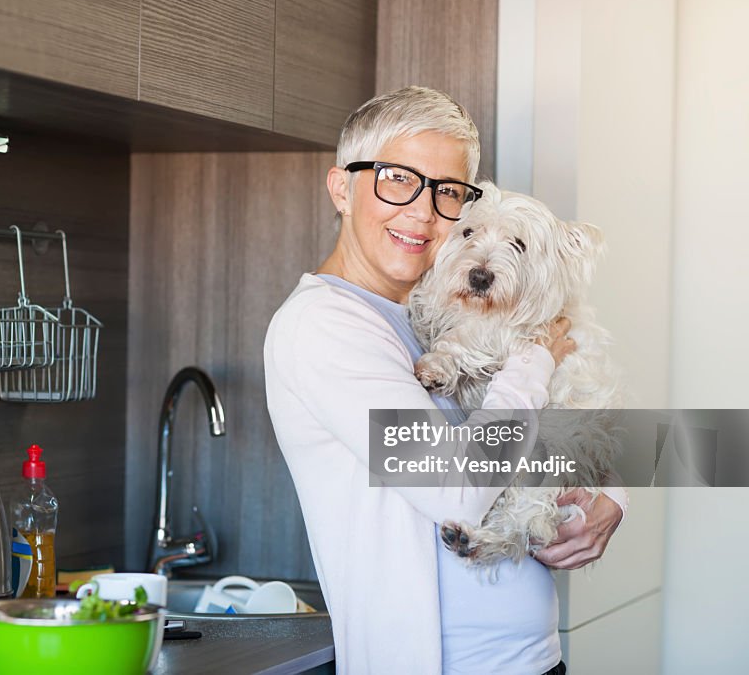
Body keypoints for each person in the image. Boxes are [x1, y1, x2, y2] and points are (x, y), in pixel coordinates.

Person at [263, 86, 626, 675]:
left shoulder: (432, 312)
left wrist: (613, 495)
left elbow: (550, 424)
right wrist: (536, 357)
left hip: (533, 660)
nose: (423, 212)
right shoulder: (323, 326)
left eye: (447, 192)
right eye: (396, 179)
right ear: (341, 188)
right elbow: (456, 488)